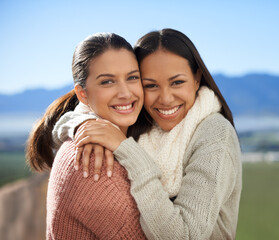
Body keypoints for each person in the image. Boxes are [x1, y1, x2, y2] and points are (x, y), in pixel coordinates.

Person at [54, 28, 242, 239]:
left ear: (197, 78)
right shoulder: (143, 119)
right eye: (150, 85)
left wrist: (126, 149)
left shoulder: (214, 134)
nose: (166, 99)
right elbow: (75, 113)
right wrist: (84, 125)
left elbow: (185, 236)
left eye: (177, 82)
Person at [26, 33, 147, 239]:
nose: (125, 93)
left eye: (132, 77)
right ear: (82, 94)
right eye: (107, 81)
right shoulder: (91, 162)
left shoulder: (125, 138)